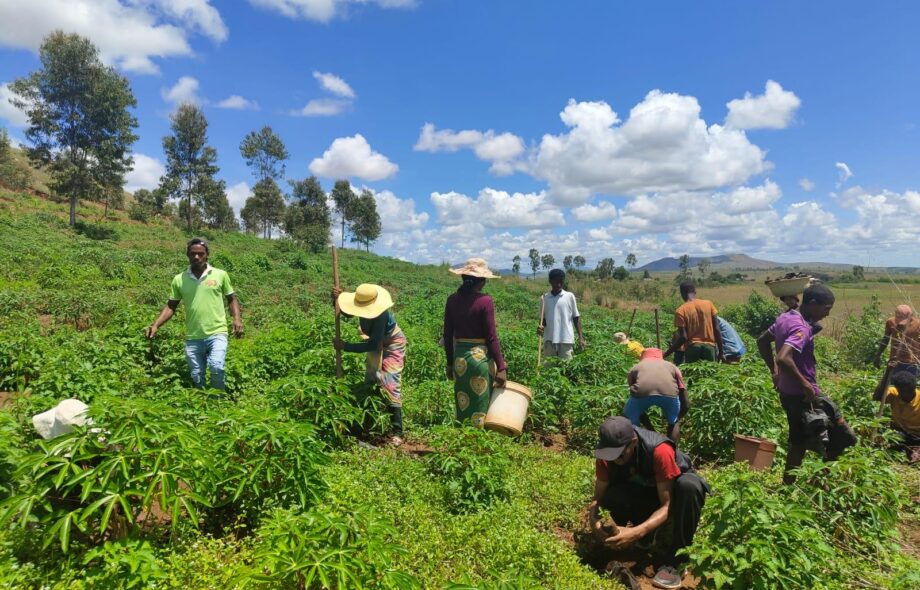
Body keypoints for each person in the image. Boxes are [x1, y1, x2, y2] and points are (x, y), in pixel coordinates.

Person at [587, 416, 709, 590]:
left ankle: (676, 562)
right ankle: (641, 540)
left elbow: (667, 505)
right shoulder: (607, 454)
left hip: (673, 495)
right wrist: (594, 521)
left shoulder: (660, 450)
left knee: (689, 487)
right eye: (610, 455)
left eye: (620, 455)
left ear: (633, 442)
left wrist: (635, 532)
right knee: (614, 495)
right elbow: (597, 498)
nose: (615, 460)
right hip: (647, 491)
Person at [756, 284, 855, 484]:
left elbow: (762, 340)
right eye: (826, 308)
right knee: (844, 437)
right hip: (803, 395)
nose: (828, 314)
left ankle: (788, 486)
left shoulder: (786, 317)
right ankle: (822, 480)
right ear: (812, 304)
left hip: (787, 393)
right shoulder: (801, 326)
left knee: (798, 442)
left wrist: (773, 372)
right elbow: (784, 357)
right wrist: (805, 385)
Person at [146, 237, 243, 391]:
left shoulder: (220, 275)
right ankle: (204, 405)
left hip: (217, 332)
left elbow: (231, 299)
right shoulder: (179, 279)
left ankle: (218, 401)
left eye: (200, 254)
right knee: (197, 376)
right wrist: (156, 325)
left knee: (217, 367)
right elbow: (171, 306)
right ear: (188, 255)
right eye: (193, 254)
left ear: (207, 255)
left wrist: (237, 319)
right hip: (193, 337)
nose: (197, 257)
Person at [333, 283, 407, 444]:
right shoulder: (361, 303)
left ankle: (397, 431)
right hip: (375, 340)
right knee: (371, 380)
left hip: (392, 342)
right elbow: (348, 313)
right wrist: (337, 299)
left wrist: (346, 346)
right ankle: (370, 422)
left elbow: (374, 345)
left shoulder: (380, 315)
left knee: (390, 381)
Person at [443, 258, 507, 427]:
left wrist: (450, 363)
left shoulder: (452, 300)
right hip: (479, 360)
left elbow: (448, 334)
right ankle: (476, 445)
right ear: (482, 281)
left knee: (463, 403)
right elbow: (491, 337)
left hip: (460, 361)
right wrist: (501, 367)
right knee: (480, 405)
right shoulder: (485, 301)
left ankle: (462, 439)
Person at [625, 348, 689, 444]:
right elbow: (682, 388)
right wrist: (677, 416)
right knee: (673, 421)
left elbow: (632, 389)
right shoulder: (672, 366)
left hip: (641, 393)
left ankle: (638, 445)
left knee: (631, 415)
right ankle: (672, 450)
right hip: (669, 393)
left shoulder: (636, 367)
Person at [664, 282, 724, 365]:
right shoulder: (708, 304)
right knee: (711, 376)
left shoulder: (681, 311)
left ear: (682, 293)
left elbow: (683, 338)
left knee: (693, 376)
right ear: (695, 292)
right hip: (709, 347)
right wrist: (721, 352)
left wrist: (667, 353)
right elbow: (717, 329)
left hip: (692, 348)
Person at [538, 269, 586, 362]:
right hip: (549, 340)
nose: (559, 284)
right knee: (549, 369)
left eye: (561, 281)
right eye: (556, 282)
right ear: (550, 281)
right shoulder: (544, 298)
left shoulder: (569, 296)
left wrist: (581, 337)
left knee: (566, 369)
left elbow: (576, 317)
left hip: (566, 339)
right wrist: (540, 327)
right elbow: (542, 320)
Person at [875, 370, 920, 463]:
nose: (906, 395)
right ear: (898, 389)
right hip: (900, 433)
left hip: (918, 435)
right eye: (903, 392)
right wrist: (887, 373)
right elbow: (877, 397)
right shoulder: (894, 393)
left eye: (909, 391)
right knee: (889, 444)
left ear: (914, 388)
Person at [873, 305, 920, 376]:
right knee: (893, 385)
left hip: (913, 363)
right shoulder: (890, 322)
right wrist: (878, 355)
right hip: (895, 362)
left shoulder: (918, 324)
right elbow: (885, 339)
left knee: (911, 385)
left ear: (911, 316)